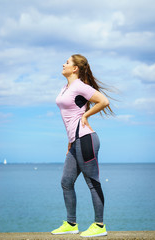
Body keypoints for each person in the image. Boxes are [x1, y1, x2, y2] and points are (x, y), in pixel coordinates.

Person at [51, 54, 113, 237]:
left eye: (67, 62)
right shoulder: (66, 87)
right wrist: (70, 141)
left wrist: (86, 116)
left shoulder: (79, 86)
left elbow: (103, 101)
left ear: (75, 68)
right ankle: (71, 224)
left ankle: (100, 226)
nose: (63, 64)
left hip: (86, 139)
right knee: (66, 182)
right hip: (75, 141)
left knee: (92, 182)